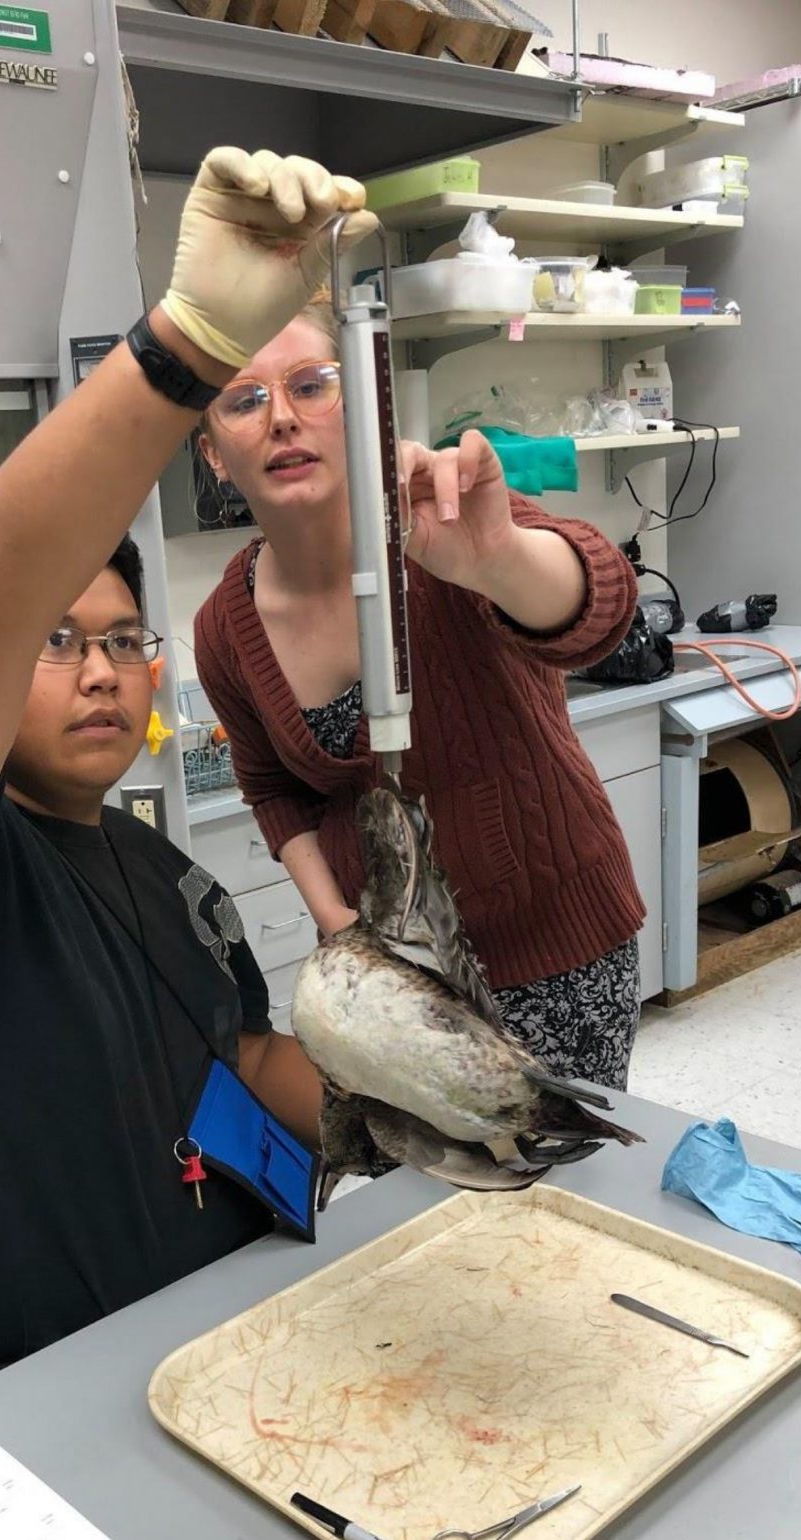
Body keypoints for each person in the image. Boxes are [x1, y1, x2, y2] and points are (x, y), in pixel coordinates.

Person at [0, 148, 373, 1438]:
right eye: (55, 641)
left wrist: (397, 1116)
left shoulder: (163, 871)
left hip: (206, 1372)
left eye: (124, 639)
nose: (101, 671)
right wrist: (190, 346)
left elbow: (239, 1054)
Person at [194, 298, 646, 1090]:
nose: (282, 419)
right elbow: (272, 789)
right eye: (245, 399)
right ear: (214, 455)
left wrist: (495, 558)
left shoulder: (440, 524)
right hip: (401, 984)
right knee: (436, 1199)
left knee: (558, 1195)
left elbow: (598, 614)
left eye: (310, 386)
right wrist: (342, 931)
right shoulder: (224, 629)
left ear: (362, 412)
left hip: (556, 944)